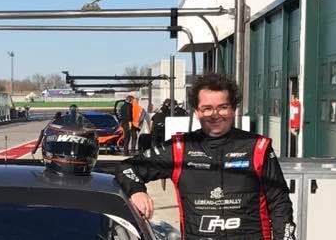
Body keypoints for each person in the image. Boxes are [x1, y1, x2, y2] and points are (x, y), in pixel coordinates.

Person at [115, 74, 295, 240]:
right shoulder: (179, 148)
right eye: (207, 108)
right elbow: (127, 167)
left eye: (222, 107)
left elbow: (280, 204)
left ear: (233, 109)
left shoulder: (258, 147)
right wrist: (136, 190)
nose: (215, 115)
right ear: (197, 111)